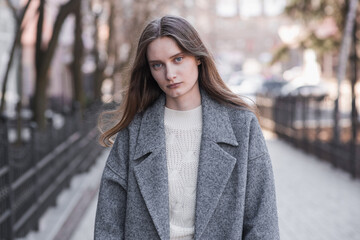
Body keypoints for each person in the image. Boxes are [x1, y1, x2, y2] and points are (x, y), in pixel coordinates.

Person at [95, 15, 279, 240]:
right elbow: (108, 225)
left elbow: (262, 223)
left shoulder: (242, 126)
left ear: (198, 58)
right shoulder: (134, 132)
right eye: (157, 65)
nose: (169, 74)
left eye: (178, 59)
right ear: (149, 70)